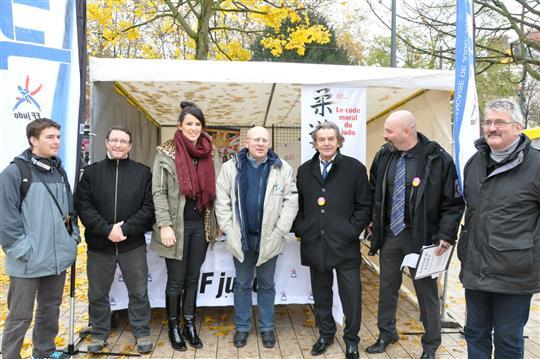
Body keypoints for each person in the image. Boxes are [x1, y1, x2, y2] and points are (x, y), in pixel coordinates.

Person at [366, 110, 464, 359]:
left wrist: (446, 234)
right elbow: (375, 190)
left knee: (426, 293)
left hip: (422, 239)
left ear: (407, 131)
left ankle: (430, 345)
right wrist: (373, 222)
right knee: (387, 287)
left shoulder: (438, 158)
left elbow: (453, 202)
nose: (385, 135)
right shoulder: (384, 155)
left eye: (389, 130)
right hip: (390, 235)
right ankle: (386, 333)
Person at [459, 99, 540, 359]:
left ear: (518, 127)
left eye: (499, 122)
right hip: (475, 268)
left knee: (507, 338)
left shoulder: (536, 165)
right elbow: (470, 211)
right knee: (475, 333)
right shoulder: (474, 162)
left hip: (514, 272)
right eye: (488, 122)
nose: (491, 128)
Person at [0, 118, 79, 359]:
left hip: (56, 260)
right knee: (19, 317)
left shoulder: (59, 170)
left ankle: (43, 354)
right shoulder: (15, 172)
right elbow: (6, 219)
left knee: (49, 311)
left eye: (58, 137)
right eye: (50, 137)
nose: (56, 142)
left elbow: (68, 211)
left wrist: (72, 237)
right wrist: (25, 251)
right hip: (28, 261)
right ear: (33, 140)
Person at [215, 126, 298, 349]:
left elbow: (291, 201)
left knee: (267, 284)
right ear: (247, 142)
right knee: (241, 284)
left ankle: (267, 327)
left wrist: (280, 231)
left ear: (269, 143)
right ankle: (242, 328)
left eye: (264, 140)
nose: (260, 144)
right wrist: (229, 230)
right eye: (256, 139)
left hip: (270, 238)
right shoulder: (230, 167)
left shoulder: (282, 168)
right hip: (240, 238)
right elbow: (221, 202)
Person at [294, 121, 371, 359]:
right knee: (321, 294)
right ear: (315, 143)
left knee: (351, 297)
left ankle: (351, 340)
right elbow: (300, 206)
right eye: (321, 139)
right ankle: (326, 334)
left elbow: (364, 206)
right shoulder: (304, 170)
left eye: (330, 139)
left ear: (339, 141)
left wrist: (351, 231)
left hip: (345, 245)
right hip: (315, 244)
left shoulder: (355, 168)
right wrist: (301, 228)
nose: (326, 143)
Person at [75, 126, 155, 354]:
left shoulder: (143, 173)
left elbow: (149, 208)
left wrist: (126, 228)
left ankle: (141, 332)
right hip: (100, 246)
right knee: (98, 294)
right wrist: (107, 230)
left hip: (132, 245)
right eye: (114, 140)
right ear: (107, 143)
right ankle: (99, 333)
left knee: (139, 292)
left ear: (130, 146)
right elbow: (84, 206)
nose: (118, 145)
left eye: (124, 141)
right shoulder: (91, 173)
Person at [151, 101, 220, 351]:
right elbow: (158, 192)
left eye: (197, 124)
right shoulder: (165, 153)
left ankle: (189, 323)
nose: (193, 128)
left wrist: (217, 223)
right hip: (176, 227)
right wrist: (165, 225)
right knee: (175, 281)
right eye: (189, 123)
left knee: (193, 278)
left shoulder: (210, 153)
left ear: (203, 127)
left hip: (200, 226)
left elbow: (216, 192)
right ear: (180, 126)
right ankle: (173, 326)